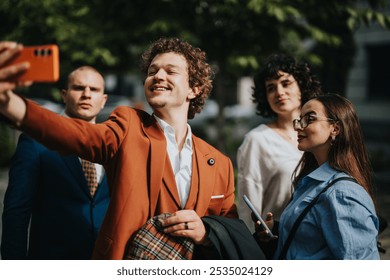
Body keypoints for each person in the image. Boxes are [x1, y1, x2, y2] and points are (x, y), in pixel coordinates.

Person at [0, 38, 238, 260]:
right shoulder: (128, 125)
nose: (157, 76)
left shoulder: (220, 163)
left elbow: (229, 231)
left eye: (170, 71)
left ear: (194, 89)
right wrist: (11, 104)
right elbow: (78, 134)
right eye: (152, 71)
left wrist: (205, 232)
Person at [1, 66, 110, 259]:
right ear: (64, 95)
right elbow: (17, 210)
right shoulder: (34, 142)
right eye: (79, 88)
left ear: (103, 100)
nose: (86, 94)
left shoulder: (113, 145)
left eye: (94, 89)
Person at [256, 93, 380, 260]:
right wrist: (277, 230)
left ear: (335, 128)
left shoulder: (342, 193)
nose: (299, 126)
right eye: (299, 119)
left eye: (309, 119)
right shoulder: (311, 182)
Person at [237, 54, 321, 231]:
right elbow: (248, 208)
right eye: (271, 88)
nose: (279, 92)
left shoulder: (320, 134)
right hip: (280, 245)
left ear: (301, 87)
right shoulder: (258, 140)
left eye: (286, 83)